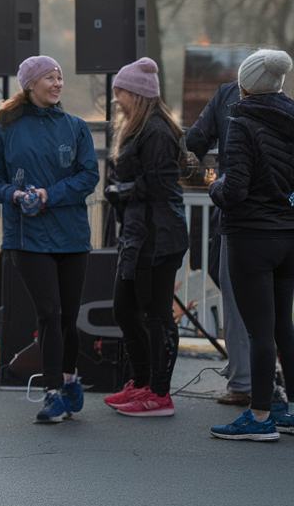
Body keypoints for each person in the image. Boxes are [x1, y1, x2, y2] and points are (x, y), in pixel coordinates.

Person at [0, 55, 99, 423]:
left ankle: (69, 377)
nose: (58, 83)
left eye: (60, 77)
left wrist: (48, 195)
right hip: (27, 238)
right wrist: (14, 195)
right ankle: (52, 393)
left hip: (72, 236)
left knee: (68, 317)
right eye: (50, 78)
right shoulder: (4, 128)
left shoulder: (76, 127)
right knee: (49, 313)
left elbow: (88, 176)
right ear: (30, 84)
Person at [207, 49, 294, 441]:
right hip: (288, 235)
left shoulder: (242, 121)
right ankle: (289, 410)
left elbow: (236, 188)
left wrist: (214, 186)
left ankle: (259, 418)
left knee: (260, 331)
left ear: (245, 84)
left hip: (250, 238)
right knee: (284, 327)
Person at [100, 58, 188, 417]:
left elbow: (161, 186)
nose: (115, 97)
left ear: (135, 94)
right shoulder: (141, 129)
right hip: (139, 233)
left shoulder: (156, 132)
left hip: (157, 235)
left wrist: (121, 191)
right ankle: (142, 383)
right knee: (124, 309)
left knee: (155, 315)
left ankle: (160, 393)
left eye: (119, 91)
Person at [184, 79, 251, 406]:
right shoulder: (288, 111)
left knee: (235, 299)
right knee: (275, 305)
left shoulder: (229, 98)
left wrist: (215, 189)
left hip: (238, 219)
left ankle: (242, 381)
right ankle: (280, 387)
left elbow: (197, 138)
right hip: (281, 222)